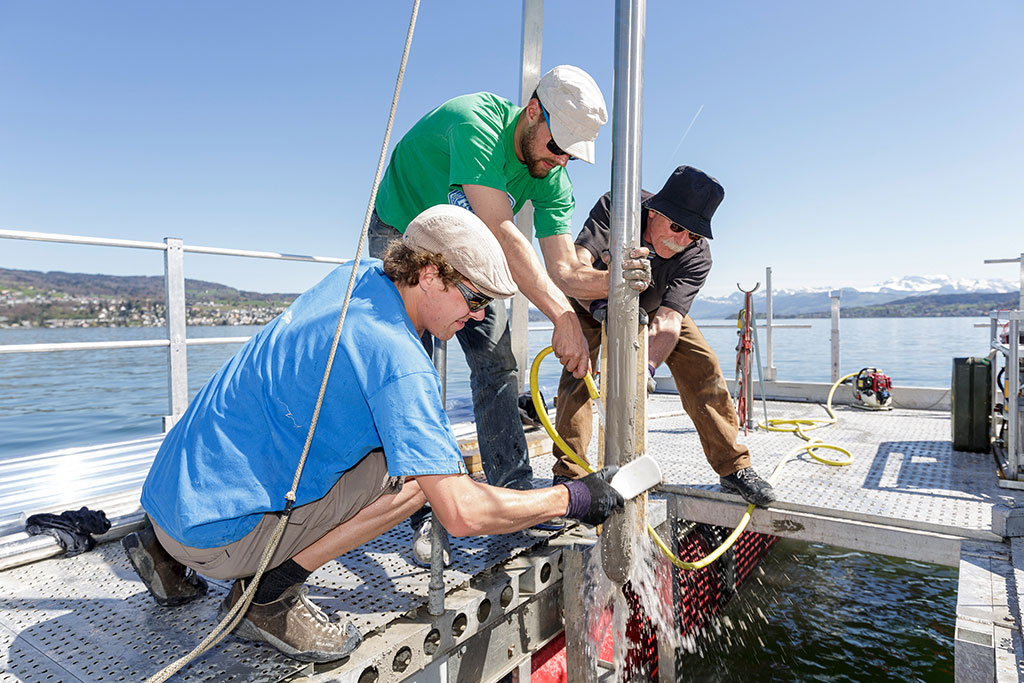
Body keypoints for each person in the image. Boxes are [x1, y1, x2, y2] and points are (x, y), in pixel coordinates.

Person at [122, 205, 624, 663]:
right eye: (473, 300)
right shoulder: (399, 359)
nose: (476, 316)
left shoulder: (357, 278)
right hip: (212, 539)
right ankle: (268, 597)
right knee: (413, 481)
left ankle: (159, 553)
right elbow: (462, 512)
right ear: (429, 274)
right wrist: (573, 497)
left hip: (168, 497)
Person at [369, 65, 646, 559]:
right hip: (404, 231)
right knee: (410, 368)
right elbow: (499, 230)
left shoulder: (550, 173)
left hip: (469, 247)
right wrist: (562, 317)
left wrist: (618, 280)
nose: (561, 161)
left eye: (570, 156)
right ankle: (422, 511)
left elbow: (563, 269)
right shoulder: (474, 121)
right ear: (534, 112)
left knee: (497, 360)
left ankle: (516, 496)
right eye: (557, 147)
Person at [552, 166, 777, 506]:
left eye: (694, 235)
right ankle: (569, 476)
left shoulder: (697, 256)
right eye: (676, 227)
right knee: (578, 371)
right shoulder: (617, 209)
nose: (683, 240)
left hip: (655, 309)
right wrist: (598, 302)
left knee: (703, 365)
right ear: (654, 211)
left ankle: (733, 467)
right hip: (590, 301)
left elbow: (670, 321)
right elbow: (575, 268)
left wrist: (646, 368)